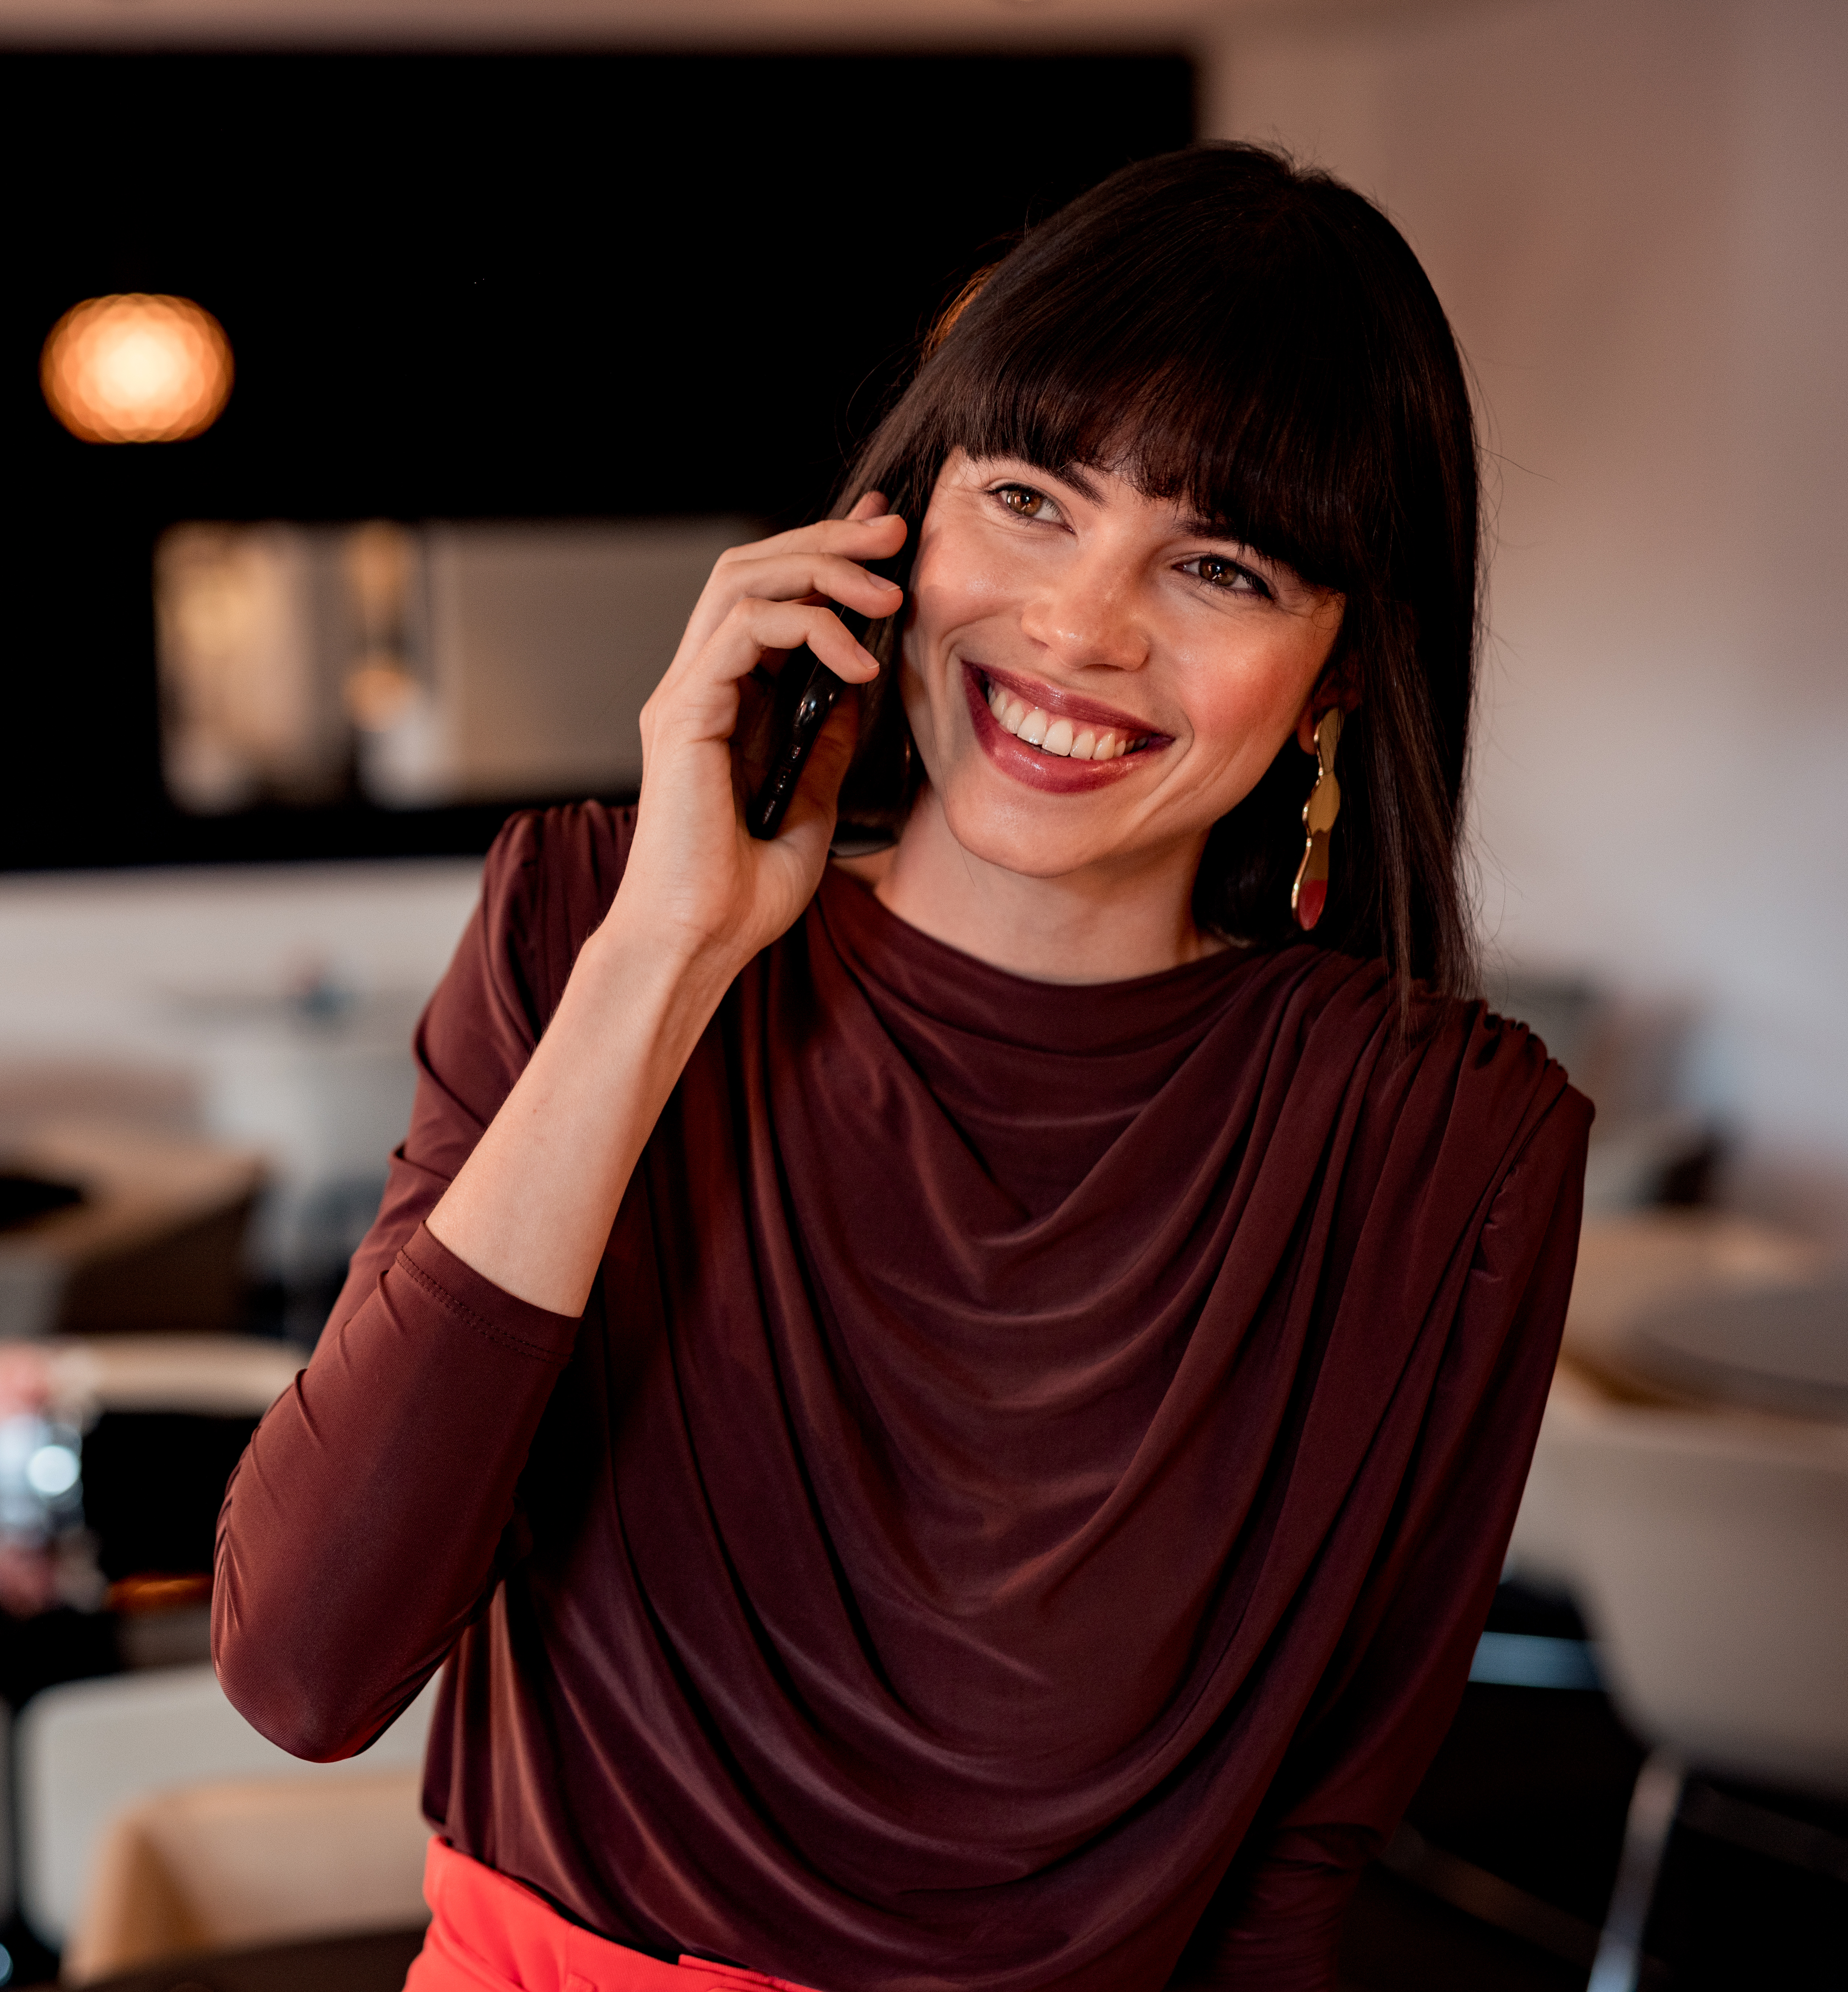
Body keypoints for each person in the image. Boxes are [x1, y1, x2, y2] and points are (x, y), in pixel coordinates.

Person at [213, 145, 1591, 1992]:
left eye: (1217, 563)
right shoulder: (581, 925)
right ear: (888, 530)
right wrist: (665, 953)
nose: (1081, 629)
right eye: (1026, 499)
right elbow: (304, 1666)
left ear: (1337, 675)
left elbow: (1299, 1858)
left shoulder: (1443, 1144)